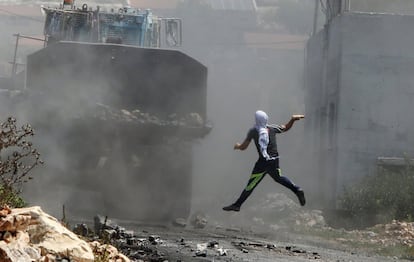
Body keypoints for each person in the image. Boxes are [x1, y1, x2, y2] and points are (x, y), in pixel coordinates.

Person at [223, 110, 306, 212]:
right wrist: (292, 119)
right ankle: (297, 189)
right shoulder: (272, 128)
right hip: (275, 160)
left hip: (263, 162)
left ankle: (237, 205)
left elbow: (244, 147)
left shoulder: (253, 131)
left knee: (251, 184)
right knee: (278, 177)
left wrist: (237, 146)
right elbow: (286, 127)